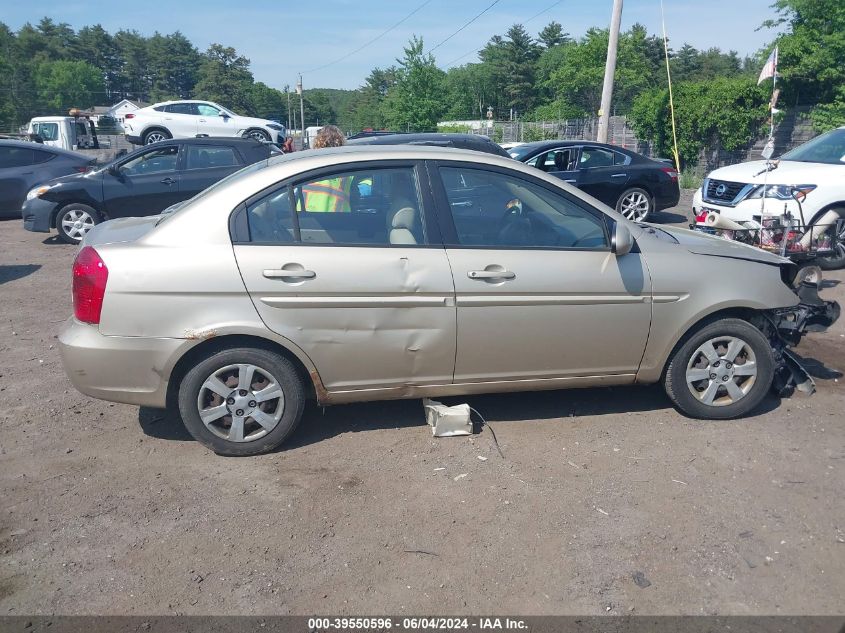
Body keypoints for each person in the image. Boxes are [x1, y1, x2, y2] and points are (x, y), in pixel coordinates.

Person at [301, 126, 351, 212]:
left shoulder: (307, 166)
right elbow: (355, 196)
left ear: (318, 141)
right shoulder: (346, 169)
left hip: (304, 217)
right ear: (340, 142)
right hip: (336, 218)